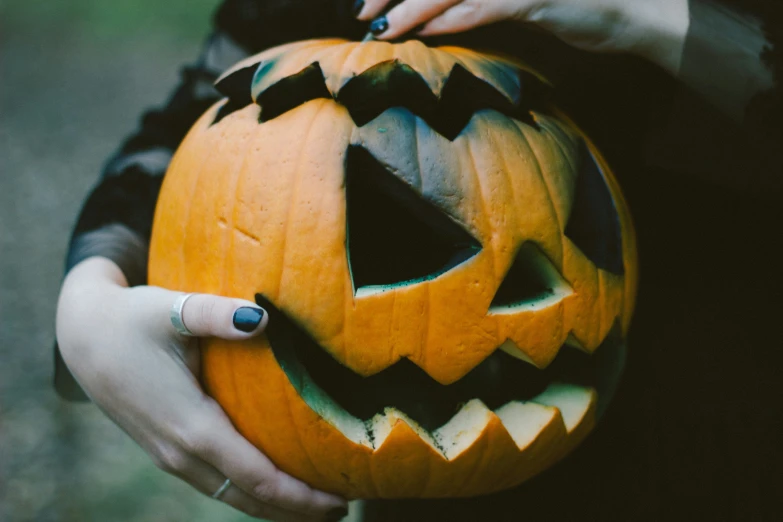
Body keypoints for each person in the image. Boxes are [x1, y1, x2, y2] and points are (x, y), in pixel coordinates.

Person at [54, 1, 782, 521]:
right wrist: (89, 301)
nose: (525, 295)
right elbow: (216, 101)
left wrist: (656, 17)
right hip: (449, 458)